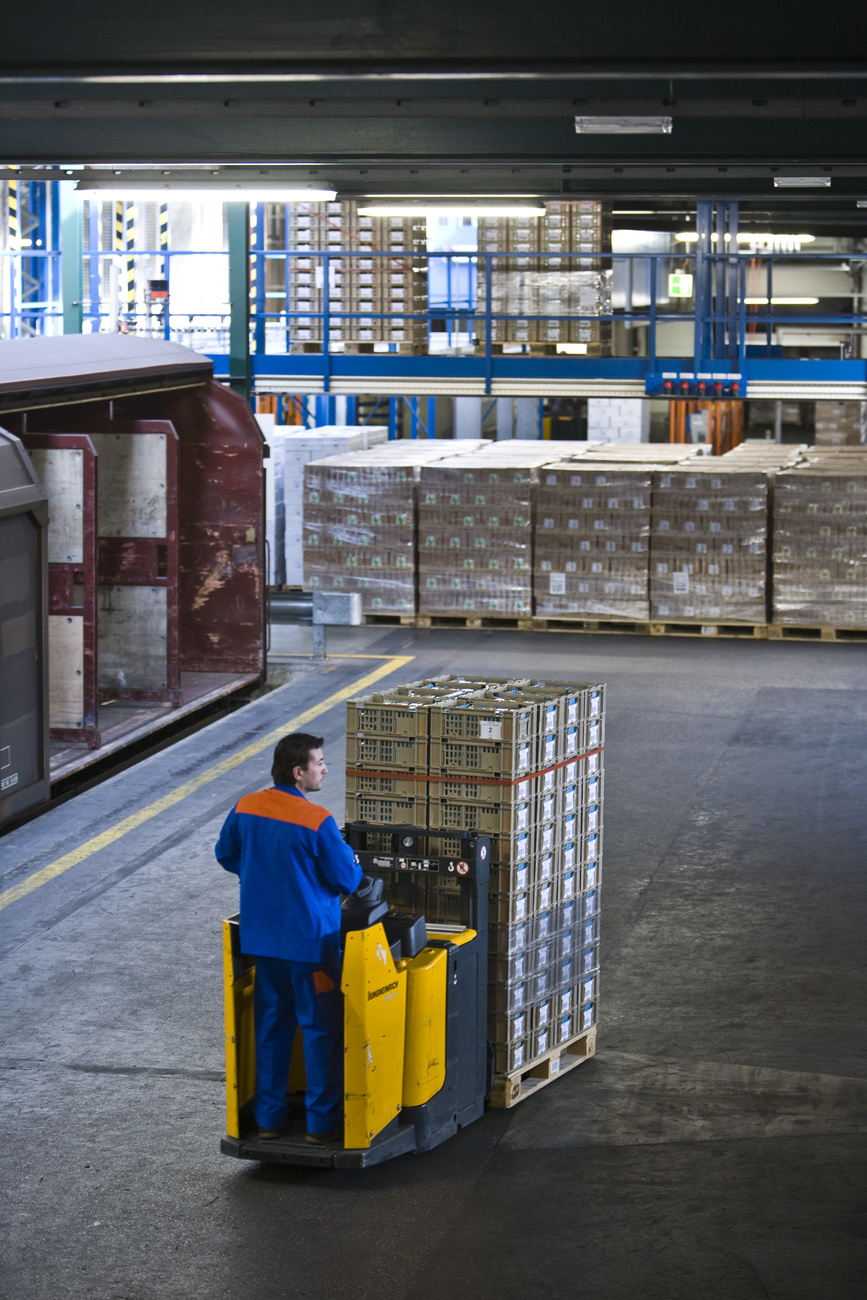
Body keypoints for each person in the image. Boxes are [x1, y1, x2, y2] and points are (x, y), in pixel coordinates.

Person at [215, 732, 362, 1145]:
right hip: (310, 946)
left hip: (263, 944)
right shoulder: (317, 821)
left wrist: (261, 875)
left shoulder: (246, 807)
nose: (325, 769)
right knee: (319, 1031)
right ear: (299, 773)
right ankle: (321, 1123)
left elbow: (225, 854)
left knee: (272, 1030)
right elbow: (346, 877)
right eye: (319, 762)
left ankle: (270, 1120)